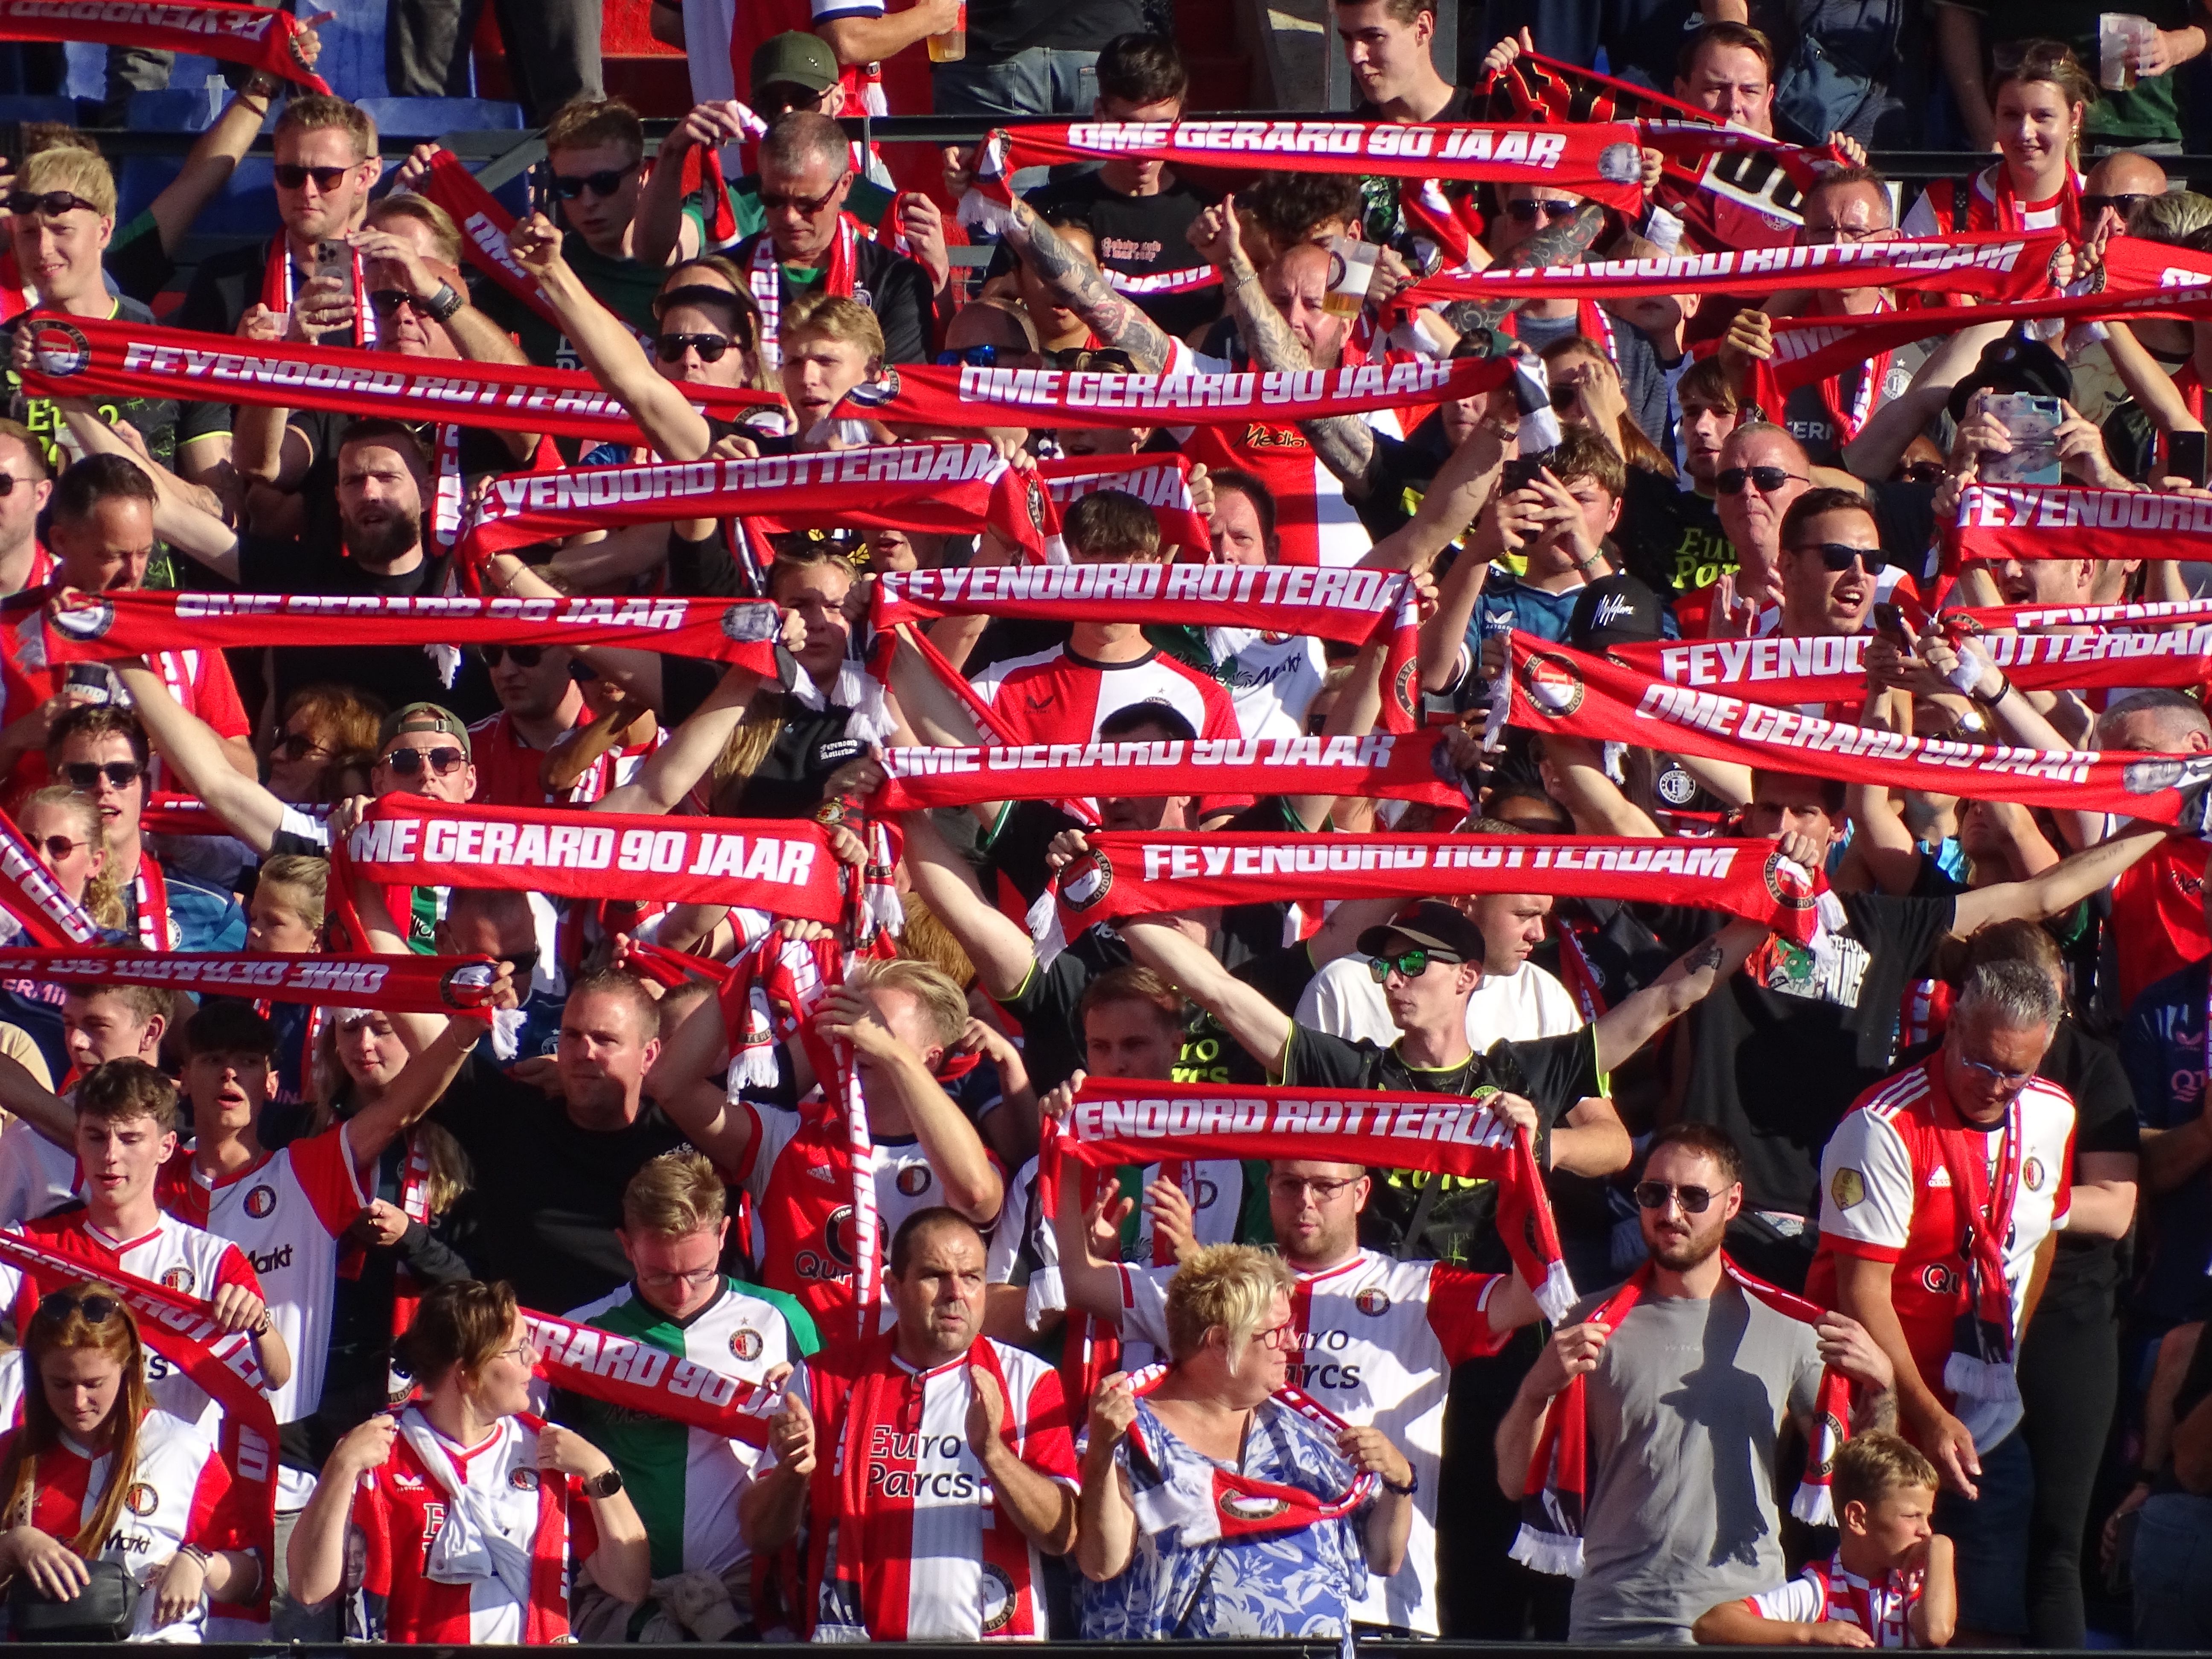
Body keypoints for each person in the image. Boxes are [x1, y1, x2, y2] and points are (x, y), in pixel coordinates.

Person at [1057, 1153, 1545, 1636]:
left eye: (1325, 1187)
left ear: (1361, 1192)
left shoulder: (1418, 1291)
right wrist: (1072, 1145)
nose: (1305, 1202)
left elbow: (1536, 1294)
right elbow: (1079, 1280)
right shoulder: (1221, 1297)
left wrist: (1526, 1160)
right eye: (1289, 1185)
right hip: (1194, 1617)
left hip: (1379, 1599)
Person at [1494, 1124, 1898, 1643]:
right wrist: (1536, 1390)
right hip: (1615, 1621)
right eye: (1653, 1194)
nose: (1670, 1212)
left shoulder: (1789, 1325)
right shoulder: (1591, 1321)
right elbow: (1514, 1481)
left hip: (1745, 1624)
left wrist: (1882, 1386)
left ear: (1733, 1203)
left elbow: (1865, 1489)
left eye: (1693, 1196)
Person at [1810, 960, 2081, 1644]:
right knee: (1874, 1627)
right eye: (1980, 1062)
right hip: (1887, 1426)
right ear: (1953, 1023)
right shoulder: (1881, 1126)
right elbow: (1861, 1292)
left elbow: (2042, 1239)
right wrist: (1927, 1416)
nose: (1994, 1087)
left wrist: (2004, 1352)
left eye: (2014, 1072)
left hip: (1986, 1424)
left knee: (1984, 1628)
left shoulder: (2053, 1112)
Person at [741, 1208, 1079, 1639]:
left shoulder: (1029, 1380)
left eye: (972, 1277)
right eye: (935, 1275)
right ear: (893, 1288)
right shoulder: (823, 1380)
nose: (956, 1293)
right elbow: (760, 1536)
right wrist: (791, 1475)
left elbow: (1064, 1535)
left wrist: (993, 1454)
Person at [1075, 1241, 1417, 1637]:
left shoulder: (1306, 1434)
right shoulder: (1130, 1430)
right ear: (1221, 1341)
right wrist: (1100, 1453)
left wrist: (1399, 1483)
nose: (1292, 1343)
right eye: (1276, 1332)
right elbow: (1102, 1562)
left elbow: (1383, 1559)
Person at [649, 956, 1006, 1330]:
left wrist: (894, 1054)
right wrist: (753, 968)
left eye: (875, 1024)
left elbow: (978, 1195)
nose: (856, 1035)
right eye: (850, 1019)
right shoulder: (788, 1137)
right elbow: (669, 1085)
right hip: (801, 1375)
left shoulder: (957, 1155)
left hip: (905, 1378)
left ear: (930, 1059)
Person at [288, 1279, 651, 1643]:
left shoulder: (549, 1451)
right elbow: (309, 1589)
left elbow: (629, 1583)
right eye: (519, 1348)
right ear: (468, 1372)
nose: (535, 1359)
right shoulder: (379, 1451)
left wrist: (600, 1471)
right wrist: (340, 1467)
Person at [556, 1152, 819, 1642]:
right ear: (626, 1246)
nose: (680, 1292)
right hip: (630, 1601)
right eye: (659, 1274)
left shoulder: (780, 1319)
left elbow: (838, 1446)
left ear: (724, 1235)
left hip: (750, 1596)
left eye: (698, 1272)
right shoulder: (583, 1335)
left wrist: (800, 1407)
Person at [0, 1059, 291, 1425]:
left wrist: (258, 1323)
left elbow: (278, 1377)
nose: (110, 1155)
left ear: (166, 1147)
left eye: (130, 1138)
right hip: (60, 1473)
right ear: (77, 1140)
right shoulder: (30, 1247)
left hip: (167, 1474)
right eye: (96, 1136)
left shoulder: (211, 1259)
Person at [0, 1284, 264, 1640]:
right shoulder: (12, 1453)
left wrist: (200, 1563)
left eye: (94, 1383)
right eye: (60, 1384)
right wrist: (15, 1544)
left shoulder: (181, 1448)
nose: (78, 1400)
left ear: (127, 1370)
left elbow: (251, 1581)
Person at [975, 35, 1216, 338]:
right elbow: (990, 317)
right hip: (1074, 380)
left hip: (1184, 384)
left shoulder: (1211, 218)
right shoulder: (1048, 209)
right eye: (1128, 127)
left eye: (1161, 128)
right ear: (1100, 115)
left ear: (1182, 119)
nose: (1144, 146)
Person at [1692, 1432, 1958, 1647]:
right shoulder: (1820, 1590)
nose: (1926, 1531)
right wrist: (1810, 1633)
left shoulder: (1912, 1586)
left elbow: (1936, 1632)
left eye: (1928, 1517)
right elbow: (1711, 1624)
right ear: (1857, 1518)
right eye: (1913, 1516)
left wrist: (1942, 1546)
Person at [727, 111, 934, 371]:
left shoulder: (895, 281)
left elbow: (896, 393)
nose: (790, 217)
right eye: (774, 201)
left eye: (808, 204)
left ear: (845, 186)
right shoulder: (726, 276)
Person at [1909, 41, 2093, 234]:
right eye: (2011, 115)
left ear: (2075, 117)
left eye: (2042, 117)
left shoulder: (2106, 208)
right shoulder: (1943, 207)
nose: (2026, 133)